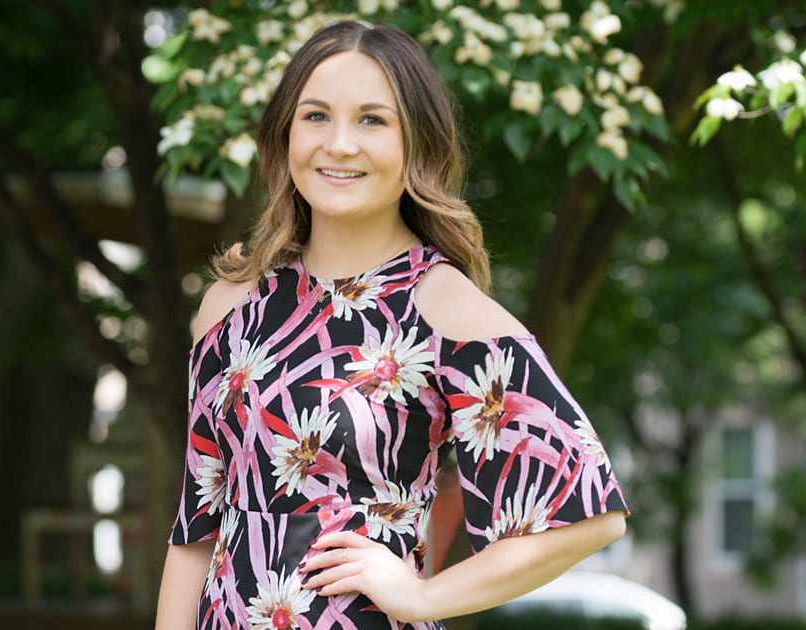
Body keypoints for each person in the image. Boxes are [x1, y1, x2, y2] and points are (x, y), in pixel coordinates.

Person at [154, 20, 629, 630]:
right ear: (284, 135)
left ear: (418, 145)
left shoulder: (443, 307)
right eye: (316, 116)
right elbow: (196, 524)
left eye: (372, 120)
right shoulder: (229, 304)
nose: (340, 144)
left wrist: (425, 597)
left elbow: (590, 513)